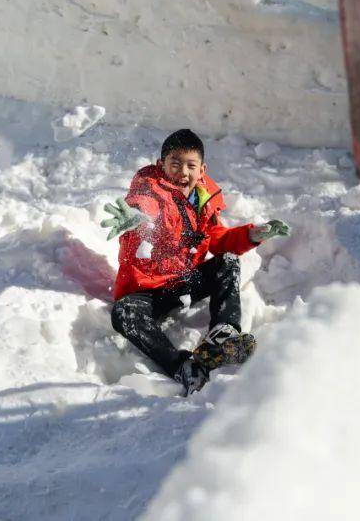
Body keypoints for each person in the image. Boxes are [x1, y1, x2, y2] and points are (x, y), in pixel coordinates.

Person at [102, 129, 290, 395]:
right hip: (146, 292)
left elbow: (218, 239)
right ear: (162, 165)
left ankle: (221, 337)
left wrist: (251, 234)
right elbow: (145, 204)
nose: (182, 172)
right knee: (124, 312)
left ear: (202, 169)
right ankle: (183, 367)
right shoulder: (150, 188)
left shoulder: (203, 199)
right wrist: (136, 216)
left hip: (184, 281)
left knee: (227, 261)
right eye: (175, 164)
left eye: (190, 165)